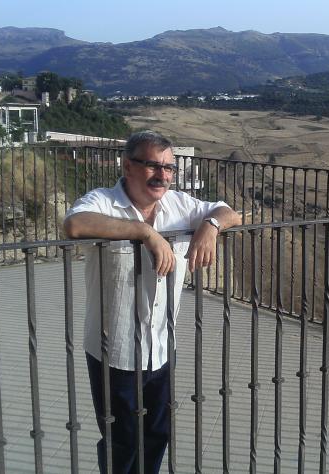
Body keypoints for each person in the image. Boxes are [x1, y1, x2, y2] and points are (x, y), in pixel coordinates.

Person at [64, 130, 241, 473]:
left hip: (161, 347)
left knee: (157, 434)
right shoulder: (103, 201)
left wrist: (211, 225)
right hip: (114, 350)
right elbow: (74, 224)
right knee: (123, 440)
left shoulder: (179, 204)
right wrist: (145, 233)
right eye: (152, 166)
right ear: (127, 166)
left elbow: (229, 213)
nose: (163, 175)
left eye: (169, 167)